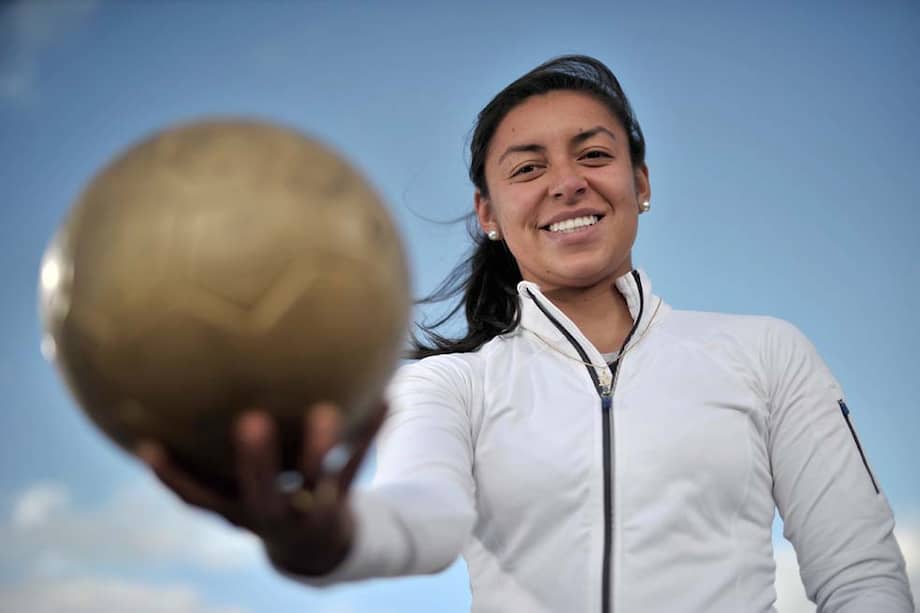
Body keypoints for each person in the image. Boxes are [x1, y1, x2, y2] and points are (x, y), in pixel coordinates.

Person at [138, 55, 915, 612]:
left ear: (640, 185)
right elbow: (425, 518)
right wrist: (331, 540)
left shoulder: (765, 353)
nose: (565, 182)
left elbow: (861, 574)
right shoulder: (451, 383)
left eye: (595, 153)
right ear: (488, 215)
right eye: (526, 167)